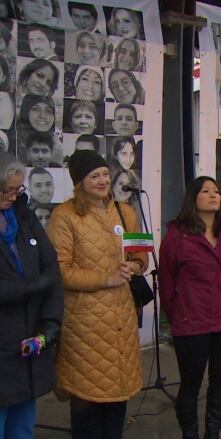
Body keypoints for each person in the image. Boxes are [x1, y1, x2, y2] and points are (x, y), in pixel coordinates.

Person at [46, 149, 147, 438]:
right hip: (83, 323)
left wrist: (137, 264)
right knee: (86, 401)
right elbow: (60, 270)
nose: (103, 181)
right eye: (95, 176)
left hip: (122, 319)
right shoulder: (64, 216)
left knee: (118, 394)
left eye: (105, 174)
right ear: (79, 182)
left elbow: (140, 252)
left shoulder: (124, 211)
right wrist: (107, 278)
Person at [158, 176, 221, 439]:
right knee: (191, 384)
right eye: (206, 191)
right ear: (193, 198)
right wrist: (178, 316)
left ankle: (213, 434)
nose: (213, 195)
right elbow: (166, 283)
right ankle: (190, 434)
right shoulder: (176, 236)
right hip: (191, 321)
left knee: (220, 381)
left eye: (216, 191)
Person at [0, 152, 63, 439]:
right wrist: (28, 288)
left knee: (22, 426)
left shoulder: (23, 217)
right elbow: (40, 282)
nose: (12, 196)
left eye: (17, 189)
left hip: (27, 345)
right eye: (6, 190)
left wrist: (51, 323)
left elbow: (50, 268)